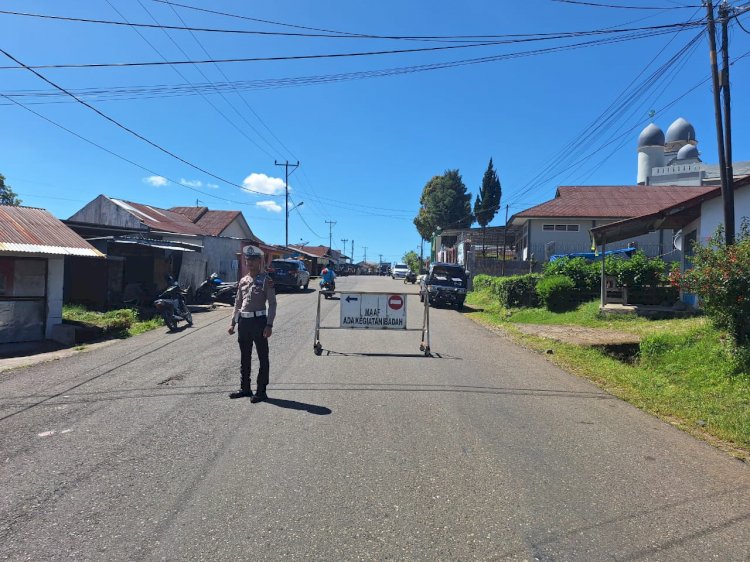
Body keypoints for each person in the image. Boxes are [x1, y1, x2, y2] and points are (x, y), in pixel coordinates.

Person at [227, 245, 276, 402]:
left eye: (253, 260)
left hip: (259, 321)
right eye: (248, 260)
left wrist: (269, 325)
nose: (250, 263)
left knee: (263, 357)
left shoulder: (266, 280)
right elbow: (237, 303)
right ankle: (245, 388)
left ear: (259, 261)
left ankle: (261, 391)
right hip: (244, 322)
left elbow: (273, 304)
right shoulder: (243, 280)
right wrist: (233, 323)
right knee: (245, 356)